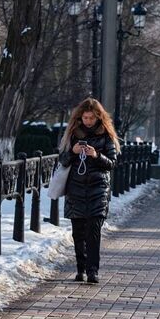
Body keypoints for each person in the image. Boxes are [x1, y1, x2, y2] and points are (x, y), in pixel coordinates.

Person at [58, 98, 120, 284]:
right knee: (78, 233)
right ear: (80, 117)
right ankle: (80, 269)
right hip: (75, 189)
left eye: (91, 118)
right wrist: (73, 152)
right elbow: (62, 160)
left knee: (93, 231)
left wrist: (96, 155)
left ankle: (92, 271)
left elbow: (112, 163)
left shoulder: (106, 135)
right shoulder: (72, 134)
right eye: (85, 118)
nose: (88, 121)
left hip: (98, 189)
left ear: (98, 117)